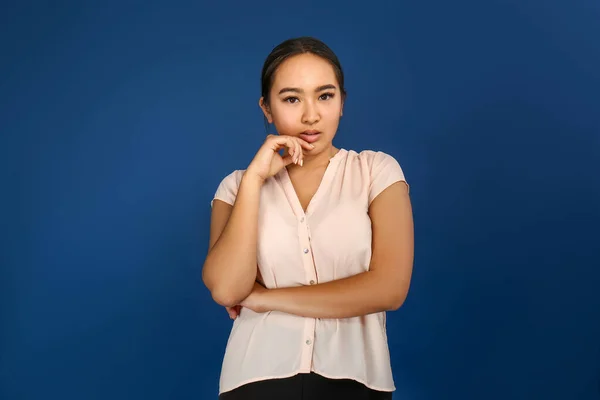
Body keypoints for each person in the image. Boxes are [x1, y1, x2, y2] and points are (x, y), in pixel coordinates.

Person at [202, 36, 414, 400]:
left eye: (325, 95)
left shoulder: (375, 172)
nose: (310, 115)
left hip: (356, 381)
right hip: (254, 382)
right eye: (291, 99)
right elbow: (226, 288)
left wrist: (267, 299)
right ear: (267, 108)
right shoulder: (236, 186)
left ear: (342, 102)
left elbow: (389, 288)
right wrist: (254, 179)